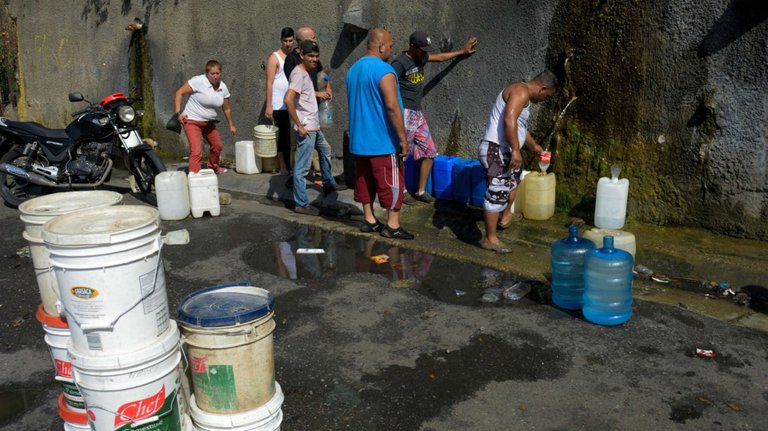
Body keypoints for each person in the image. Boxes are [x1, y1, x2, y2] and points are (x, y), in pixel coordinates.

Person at [391, 31, 477, 204]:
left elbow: (439, 57)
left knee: (430, 151)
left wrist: (462, 51)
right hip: (404, 112)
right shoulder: (399, 63)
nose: (425, 52)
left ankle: (421, 191)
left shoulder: (421, 57)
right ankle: (402, 190)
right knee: (401, 154)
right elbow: (387, 85)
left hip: (417, 113)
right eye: (422, 49)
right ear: (412, 46)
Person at [478, 71, 558, 253]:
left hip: (504, 150)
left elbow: (519, 127)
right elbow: (509, 119)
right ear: (542, 88)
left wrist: (534, 147)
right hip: (495, 148)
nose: (545, 99)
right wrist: (515, 150)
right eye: (547, 96)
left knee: (513, 183)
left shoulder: (524, 99)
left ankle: (505, 217)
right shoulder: (520, 90)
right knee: (496, 191)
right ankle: (490, 239)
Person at [346, 28, 414, 240]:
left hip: (359, 141)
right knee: (393, 183)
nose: (391, 50)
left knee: (364, 180)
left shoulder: (352, 70)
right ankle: (392, 225)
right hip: (382, 142)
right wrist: (403, 139)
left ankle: (369, 220)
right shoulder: (384, 71)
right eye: (391, 46)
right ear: (381, 46)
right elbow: (392, 106)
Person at [284, 40, 343, 216]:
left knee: (325, 150)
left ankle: (328, 183)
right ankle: (301, 203)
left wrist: (325, 89)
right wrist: (299, 125)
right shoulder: (298, 74)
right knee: (302, 168)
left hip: (313, 126)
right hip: (307, 127)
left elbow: (312, 88)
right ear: (301, 54)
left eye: (316, 56)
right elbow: (288, 99)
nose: (314, 59)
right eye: (311, 56)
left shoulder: (306, 72)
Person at [284, 26, 333, 187]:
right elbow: (295, 90)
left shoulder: (313, 56)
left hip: (313, 114)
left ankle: (328, 182)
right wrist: (316, 94)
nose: (315, 40)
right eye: (313, 37)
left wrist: (327, 86)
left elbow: (322, 72)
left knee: (324, 149)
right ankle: (297, 184)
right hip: (302, 115)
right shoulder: (292, 62)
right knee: (299, 150)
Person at [174, 60, 237, 174]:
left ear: (221, 73)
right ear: (207, 74)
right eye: (212, 74)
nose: (215, 76)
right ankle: (194, 176)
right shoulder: (198, 81)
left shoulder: (223, 87)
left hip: (209, 123)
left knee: (217, 146)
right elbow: (179, 93)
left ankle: (213, 167)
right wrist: (178, 113)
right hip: (192, 121)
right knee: (196, 151)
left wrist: (231, 125)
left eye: (217, 73)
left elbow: (226, 108)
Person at [265, 27, 295, 175]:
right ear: (281, 40)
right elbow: (269, 82)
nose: (288, 44)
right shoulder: (274, 57)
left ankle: (293, 165)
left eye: (290, 41)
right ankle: (283, 166)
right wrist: (269, 105)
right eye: (285, 41)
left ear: (294, 40)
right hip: (278, 104)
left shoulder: (296, 56)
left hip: (293, 103)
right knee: (282, 136)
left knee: (292, 137)